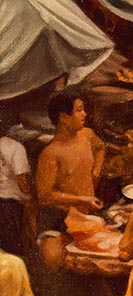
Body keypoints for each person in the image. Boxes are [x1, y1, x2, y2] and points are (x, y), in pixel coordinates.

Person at [35, 93, 105, 232]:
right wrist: (83, 200)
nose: (84, 114)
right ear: (64, 118)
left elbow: (100, 148)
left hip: (86, 213)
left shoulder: (87, 135)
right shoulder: (50, 154)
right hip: (61, 218)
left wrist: (96, 171)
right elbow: (45, 195)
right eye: (79, 110)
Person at [0, 131, 31, 257]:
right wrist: (31, 196)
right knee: (12, 252)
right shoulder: (15, 147)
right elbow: (22, 182)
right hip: (9, 207)